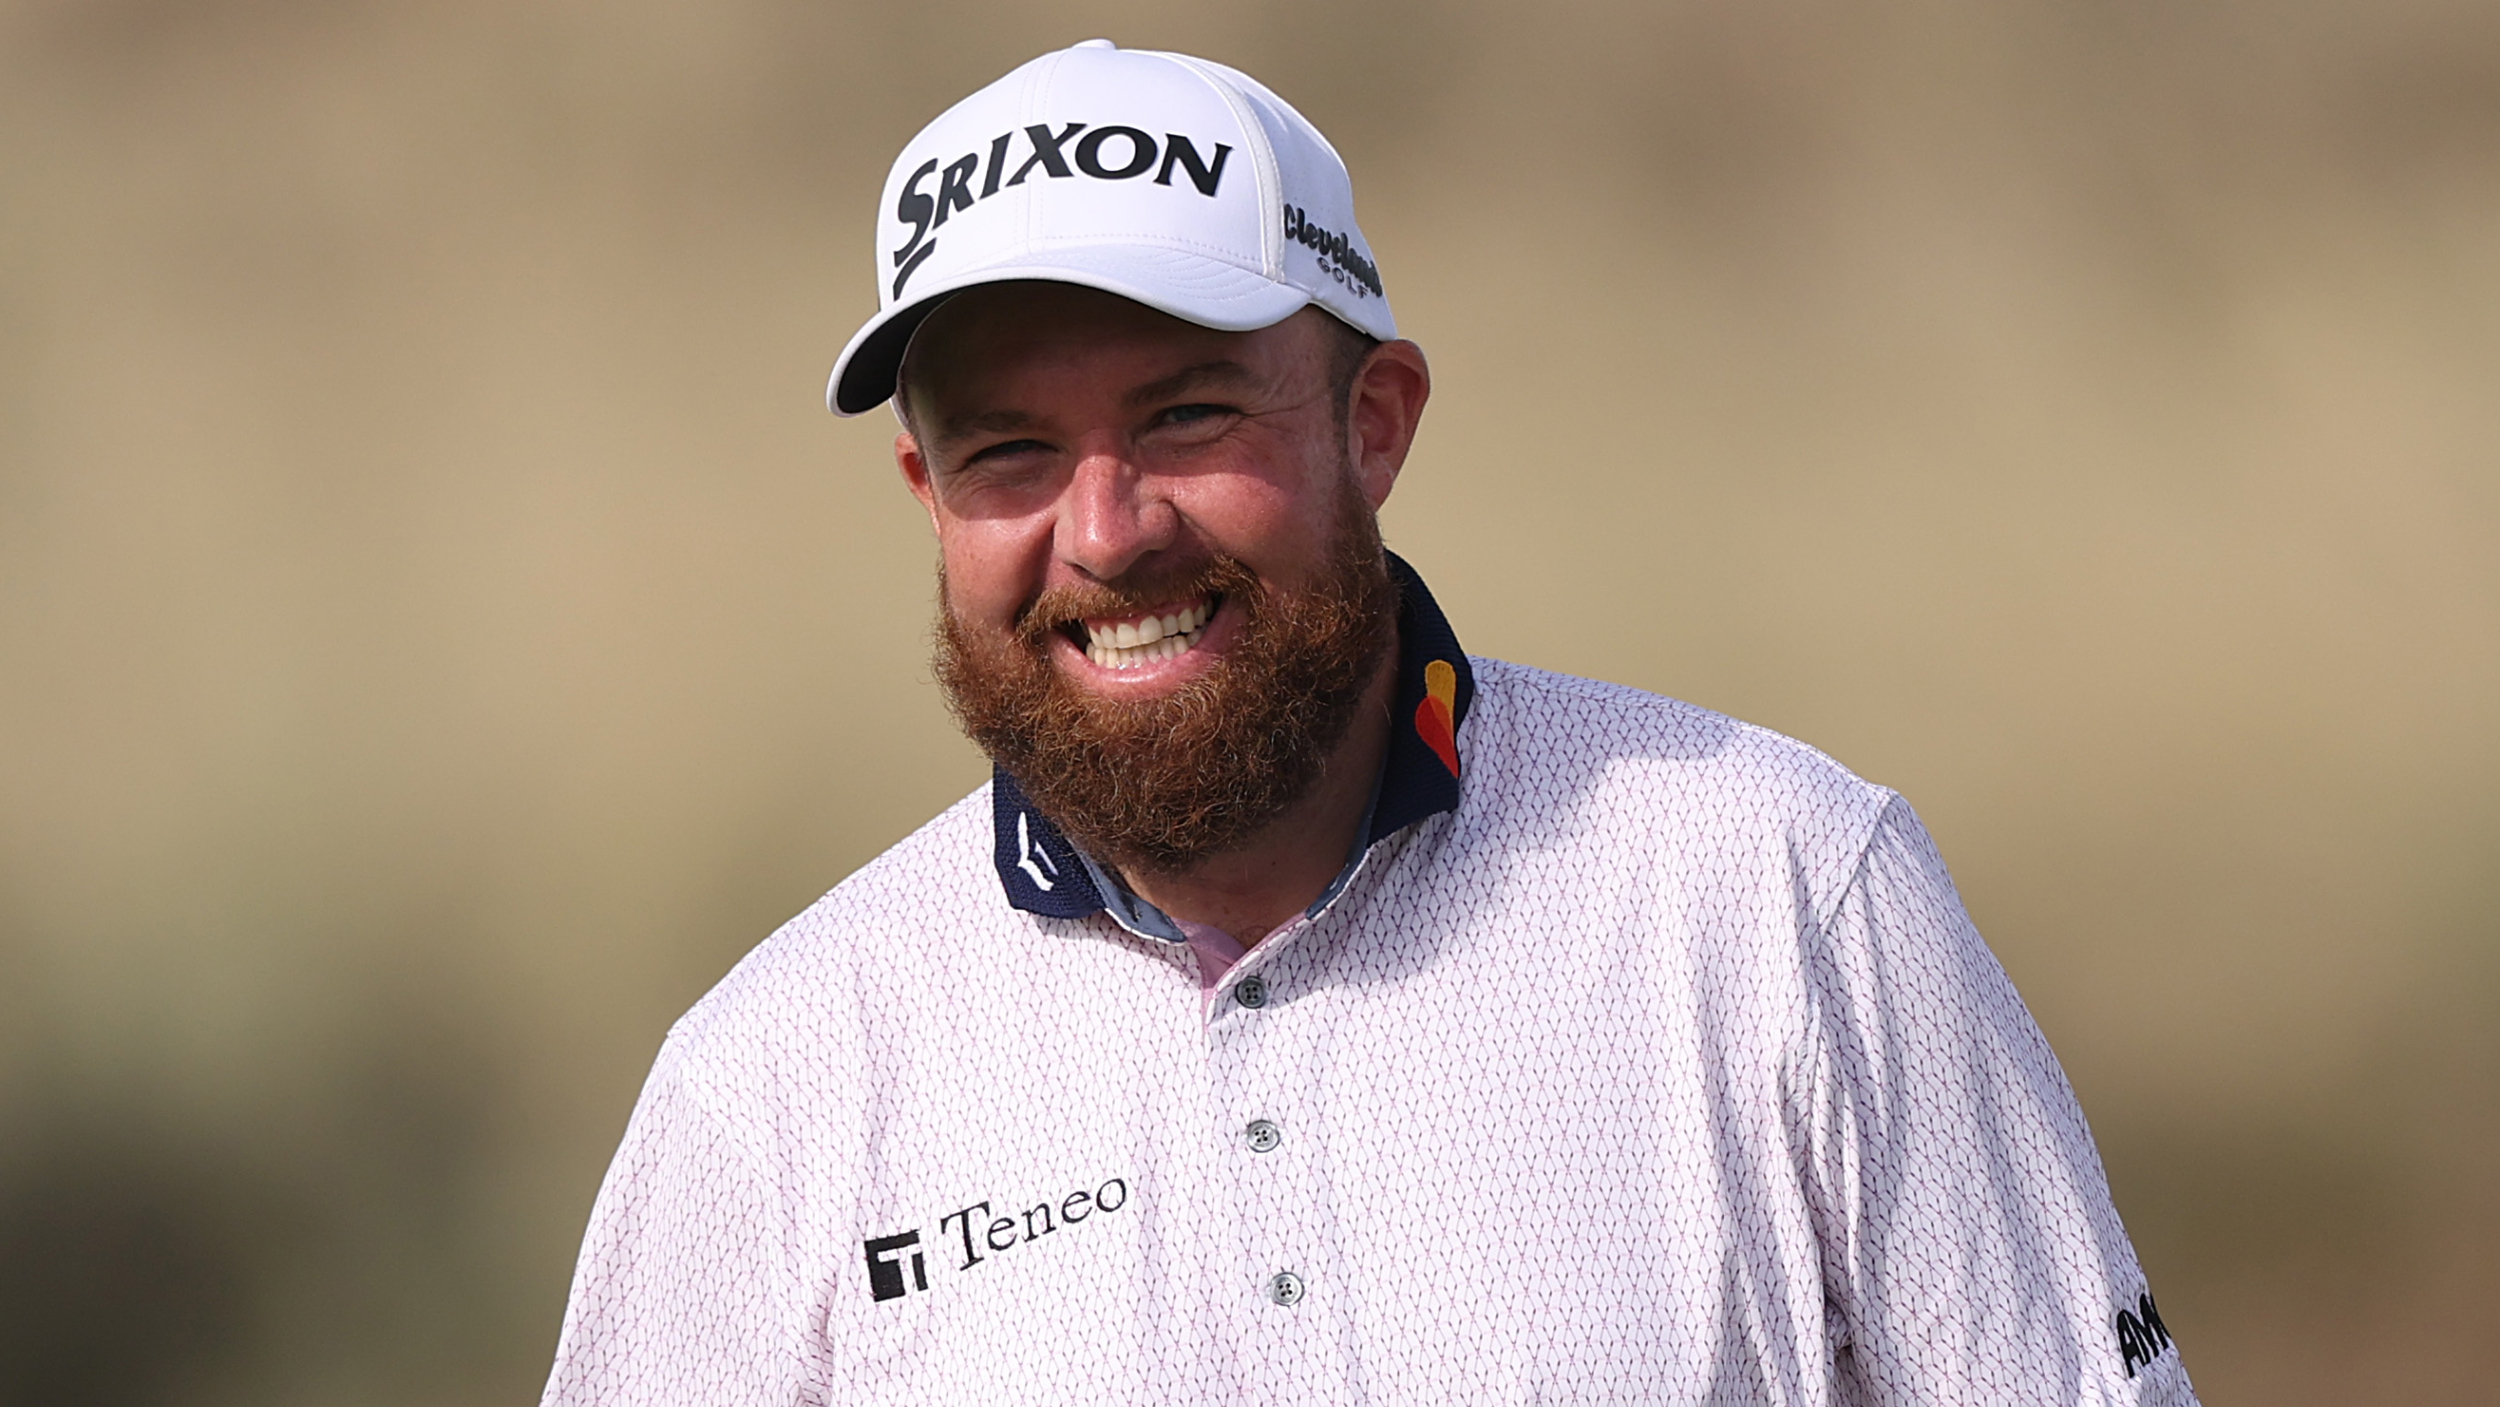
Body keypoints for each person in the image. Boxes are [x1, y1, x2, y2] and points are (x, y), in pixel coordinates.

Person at [540, 39, 2197, 1406]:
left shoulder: (1782, 894)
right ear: (929, 492)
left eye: (1187, 415)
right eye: (1010, 454)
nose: (1107, 532)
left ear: (1376, 423)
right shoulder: (770, 1085)